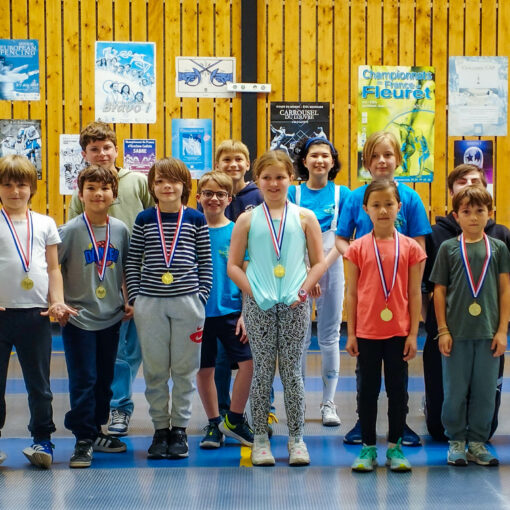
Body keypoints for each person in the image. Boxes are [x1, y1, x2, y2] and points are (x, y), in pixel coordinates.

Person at [228, 150, 326, 466]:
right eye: (267, 177)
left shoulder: (305, 217)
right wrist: (253, 293)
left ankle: (297, 439)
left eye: (280, 177)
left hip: (295, 305)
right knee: (262, 371)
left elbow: (319, 262)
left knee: (293, 372)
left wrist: (305, 289)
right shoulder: (246, 219)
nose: (273, 183)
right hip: (259, 306)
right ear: (257, 180)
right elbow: (233, 265)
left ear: (291, 179)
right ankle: (260, 439)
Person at [335, 131, 431, 446]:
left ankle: (400, 426)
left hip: (399, 291)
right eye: (374, 156)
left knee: (398, 371)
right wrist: (355, 256)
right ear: (366, 162)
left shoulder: (411, 199)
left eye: (388, 155)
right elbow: (341, 238)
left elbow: (419, 244)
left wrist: (409, 275)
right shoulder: (355, 197)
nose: (381, 161)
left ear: (398, 159)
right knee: (366, 373)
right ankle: (363, 424)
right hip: (368, 289)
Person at [69, 121, 153, 437]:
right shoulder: (81, 191)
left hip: (139, 278)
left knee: (132, 350)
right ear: (85, 154)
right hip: (101, 280)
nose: (102, 153)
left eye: (107, 147)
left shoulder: (137, 182)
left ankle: (120, 406)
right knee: (113, 353)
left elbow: (154, 221)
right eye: (94, 149)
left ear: (117, 150)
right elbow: (75, 238)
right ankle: (116, 407)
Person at [125, 157, 212, 459]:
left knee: (185, 371)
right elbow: (133, 260)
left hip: (188, 303)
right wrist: (135, 298)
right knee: (155, 371)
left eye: (173, 180)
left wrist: (200, 297)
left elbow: (206, 262)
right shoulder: (144, 219)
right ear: (152, 186)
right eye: (160, 181)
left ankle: (180, 430)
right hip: (150, 304)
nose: (166, 186)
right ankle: (161, 429)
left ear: (184, 185)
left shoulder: (196, 219)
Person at [422, 164, 510, 441]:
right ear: (452, 194)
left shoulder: (501, 237)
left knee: (486, 422)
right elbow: (430, 288)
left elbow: (505, 288)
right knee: (439, 428)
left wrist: (502, 330)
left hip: (487, 332)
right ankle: (438, 412)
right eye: (462, 181)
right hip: (449, 332)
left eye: (476, 180)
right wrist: (436, 327)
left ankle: (476, 436)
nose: (470, 184)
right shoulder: (437, 236)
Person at [0, 155, 76, 469]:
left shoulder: (45, 224)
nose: (15, 190)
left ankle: (42, 440)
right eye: (7, 184)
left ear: (32, 187)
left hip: (36, 316)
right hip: (2, 314)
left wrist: (56, 301)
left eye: (21, 184)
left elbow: (54, 268)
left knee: (40, 386)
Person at [345, 180, 426, 472]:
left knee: (397, 391)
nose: (382, 210)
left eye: (388, 204)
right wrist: (351, 332)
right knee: (367, 391)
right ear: (365, 208)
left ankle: (395, 446)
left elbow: (415, 293)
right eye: (376, 205)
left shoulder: (411, 248)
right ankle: (368, 447)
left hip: (399, 332)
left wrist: (413, 333)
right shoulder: (357, 248)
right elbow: (352, 294)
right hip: (367, 333)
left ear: (398, 208)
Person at [59, 165, 131, 468]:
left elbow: (125, 268)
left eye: (104, 188)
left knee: (104, 379)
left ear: (114, 194)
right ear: (80, 193)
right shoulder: (70, 230)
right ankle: (83, 438)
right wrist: (57, 302)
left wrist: (128, 299)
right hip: (79, 318)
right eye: (91, 188)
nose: (98, 193)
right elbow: (51, 268)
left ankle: (96, 430)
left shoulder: (121, 229)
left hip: (111, 317)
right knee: (84, 379)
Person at [288, 137, 350, 426]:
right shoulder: (293, 193)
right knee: (299, 338)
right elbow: (289, 236)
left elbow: (344, 238)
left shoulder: (342, 193)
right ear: (304, 161)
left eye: (325, 155)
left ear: (332, 161)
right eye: (314, 155)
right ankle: (298, 403)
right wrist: (308, 271)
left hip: (332, 266)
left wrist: (320, 267)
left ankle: (328, 403)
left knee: (329, 337)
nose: (320, 160)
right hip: (299, 268)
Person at [195, 171, 254, 449]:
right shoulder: (192, 231)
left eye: (220, 194)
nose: (214, 199)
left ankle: (235, 419)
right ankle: (213, 422)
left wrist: (245, 312)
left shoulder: (237, 231)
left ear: (230, 199)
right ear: (198, 197)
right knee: (204, 368)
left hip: (231, 312)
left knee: (248, 364)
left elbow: (247, 273)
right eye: (208, 193)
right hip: (198, 314)